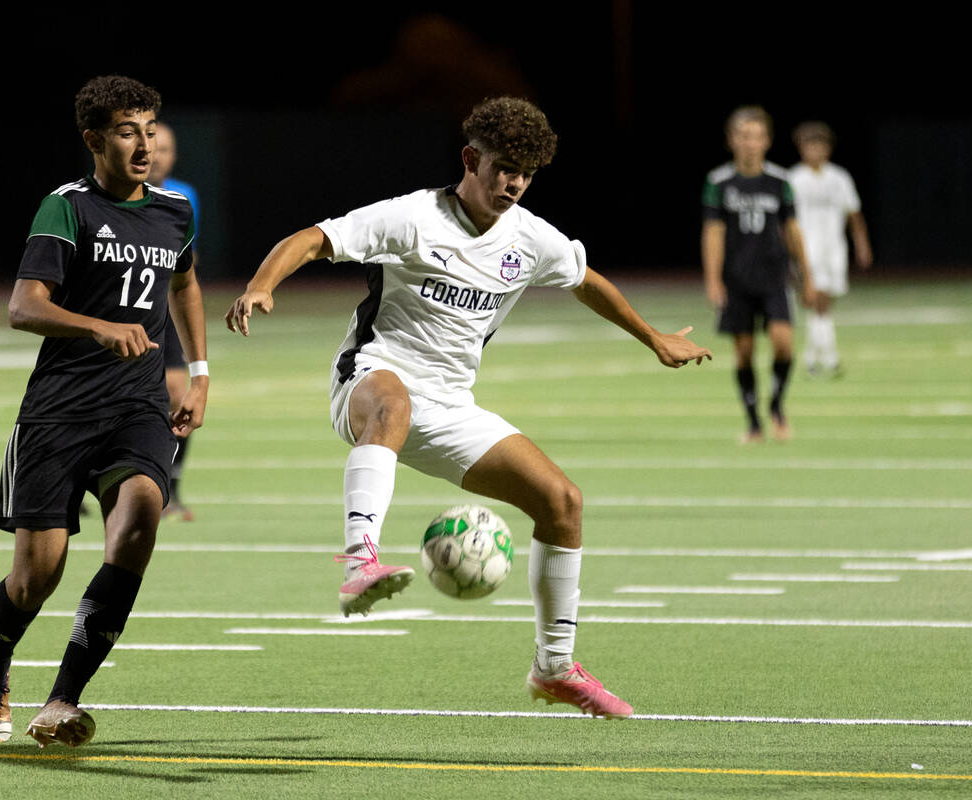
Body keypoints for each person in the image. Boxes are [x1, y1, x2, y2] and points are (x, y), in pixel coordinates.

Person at [225, 97, 711, 720]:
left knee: (562, 502)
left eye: (526, 174)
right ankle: (360, 559)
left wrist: (654, 338)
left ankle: (555, 668)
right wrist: (263, 285)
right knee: (394, 401)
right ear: (470, 159)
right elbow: (315, 240)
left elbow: (585, 280)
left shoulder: (530, 237)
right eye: (504, 167)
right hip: (372, 380)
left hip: (451, 404)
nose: (513, 184)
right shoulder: (412, 218)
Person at [0, 75, 208, 747]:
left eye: (150, 130)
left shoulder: (173, 211)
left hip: (136, 406)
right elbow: (24, 307)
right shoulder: (66, 208)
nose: (145, 144)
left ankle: (62, 700)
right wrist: (97, 326)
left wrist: (199, 372)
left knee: (138, 523)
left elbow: (184, 281)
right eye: (128, 131)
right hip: (59, 412)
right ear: (94, 138)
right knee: (34, 578)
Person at [702, 105, 816, 443]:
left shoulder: (780, 181)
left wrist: (807, 276)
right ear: (731, 140)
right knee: (744, 351)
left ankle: (777, 407)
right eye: (743, 136)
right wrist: (712, 279)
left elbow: (793, 230)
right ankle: (753, 423)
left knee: (783, 344)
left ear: (766, 140)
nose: (750, 143)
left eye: (756, 136)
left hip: (774, 276)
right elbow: (713, 232)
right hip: (737, 279)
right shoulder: (719, 182)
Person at [789, 121, 873, 377]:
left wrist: (862, 245)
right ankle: (827, 358)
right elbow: (786, 221)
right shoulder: (794, 179)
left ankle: (815, 357)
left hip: (834, 250)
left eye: (820, 145)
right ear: (801, 148)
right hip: (807, 250)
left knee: (824, 304)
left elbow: (853, 214)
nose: (816, 151)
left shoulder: (839, 177)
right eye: (810, 145)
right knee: (817, 302)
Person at [148, 122, 202, 521]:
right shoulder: (115, 196)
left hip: (165, 308)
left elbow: (188, 261)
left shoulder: (185, 198)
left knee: (177, 393)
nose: (157, 154)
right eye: (152, 144)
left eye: (165, 147)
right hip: (123, 310)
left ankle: (169, 489)